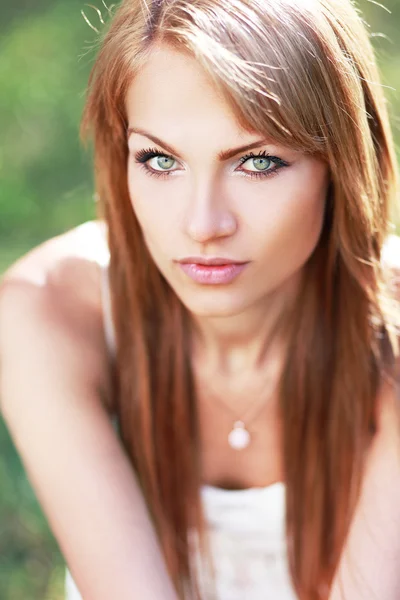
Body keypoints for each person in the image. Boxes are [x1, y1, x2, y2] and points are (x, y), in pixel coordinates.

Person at [1, 0, 400, 598]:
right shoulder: (45, 314)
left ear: (341, 166)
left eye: (258, 162)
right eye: (160, 159)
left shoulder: (388, 332)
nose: (202, 223)